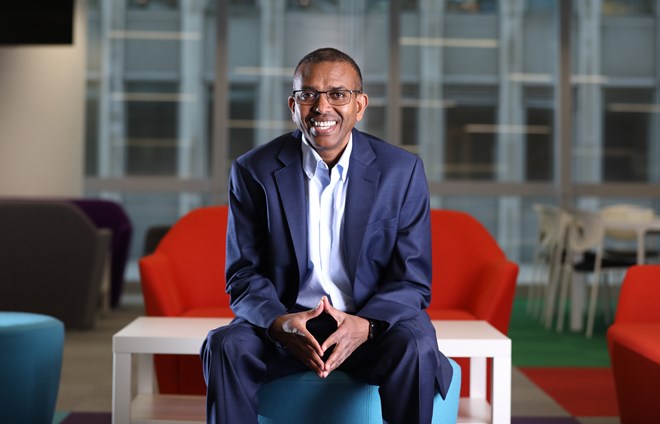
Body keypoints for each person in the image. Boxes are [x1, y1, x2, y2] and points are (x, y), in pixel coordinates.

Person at [200, 47, 453, 424]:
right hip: (288, 324)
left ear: (359, 105)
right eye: (308, 95)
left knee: (415, 345)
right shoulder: (254, 170)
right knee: (225, 344)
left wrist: (365, 326)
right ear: (293, 105)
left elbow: (412, 280)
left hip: (371, 326)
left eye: (337, 94)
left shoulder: (402, 171)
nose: (322, 107)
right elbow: (243, 275)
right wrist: (281, 323)